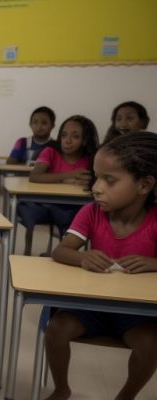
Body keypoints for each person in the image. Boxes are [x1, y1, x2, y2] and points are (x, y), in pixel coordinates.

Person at [46, 133, 157, 400]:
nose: (97, 187)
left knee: (151, 344)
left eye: (110, 180)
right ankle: (62, 388)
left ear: (144, 185)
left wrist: (154, 263)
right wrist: (83, 257)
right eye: (96, 177)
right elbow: (60, 250)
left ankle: (125, 396)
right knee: (56, 329)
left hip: (138, 313)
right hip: (91, 306)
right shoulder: (92, 213)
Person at [17, 115, 99, 247]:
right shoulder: (51, 152)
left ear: (85, 140)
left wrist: (90, 181)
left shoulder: (90, 159)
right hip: (44, 204)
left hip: (73, 207)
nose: (67, 141)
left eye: (75, 137)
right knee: (30, 210)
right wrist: (69, 175)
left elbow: (94, 184)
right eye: (64, 135)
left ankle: (66, 250)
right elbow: (35, 176)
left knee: (74, 217)